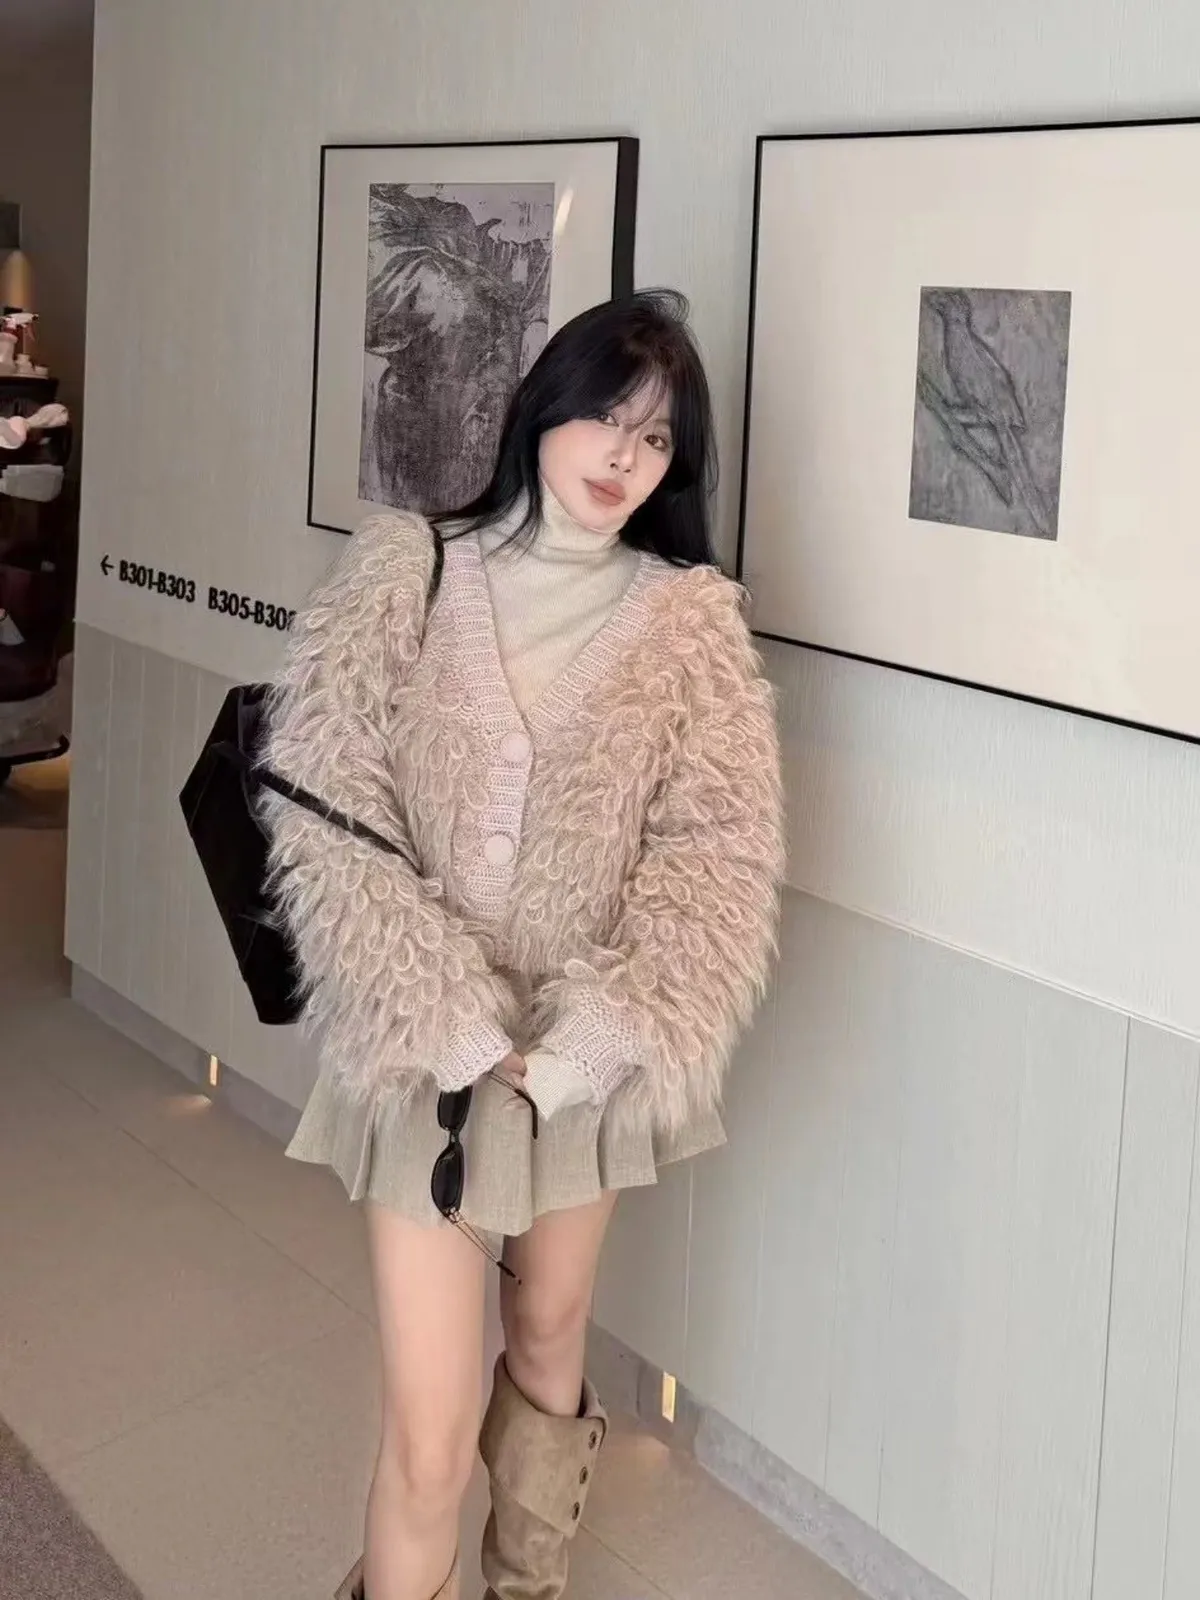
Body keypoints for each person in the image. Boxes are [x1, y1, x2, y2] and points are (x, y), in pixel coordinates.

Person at [261, 289, 786, 1600]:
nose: (625, 457)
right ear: (544, 410)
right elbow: (324, 801)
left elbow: (719, 855)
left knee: (548, 1344)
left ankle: (526, 1584)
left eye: (657, 439)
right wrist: (444, 1021)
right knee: (430, 1438)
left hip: (577, 1055)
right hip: (425, 1059)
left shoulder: (688, 621)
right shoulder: (412, 570)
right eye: (607, 417)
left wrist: (593, 1041)